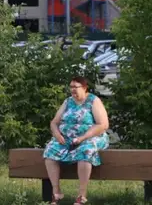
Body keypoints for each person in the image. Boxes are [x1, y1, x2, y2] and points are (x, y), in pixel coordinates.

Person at [43, 76, 110, 204]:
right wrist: (57, 135)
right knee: (50, 151)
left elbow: (103, 125)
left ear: (84, 88)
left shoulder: (93, 100)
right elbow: (54, 122)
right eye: (71, 87)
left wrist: (83, 137)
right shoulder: (68, 101)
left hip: (91, 136)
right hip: (67, 138)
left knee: (85, 151)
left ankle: (81, 195)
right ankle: (56, 193)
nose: (73, 90)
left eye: (76, 87)